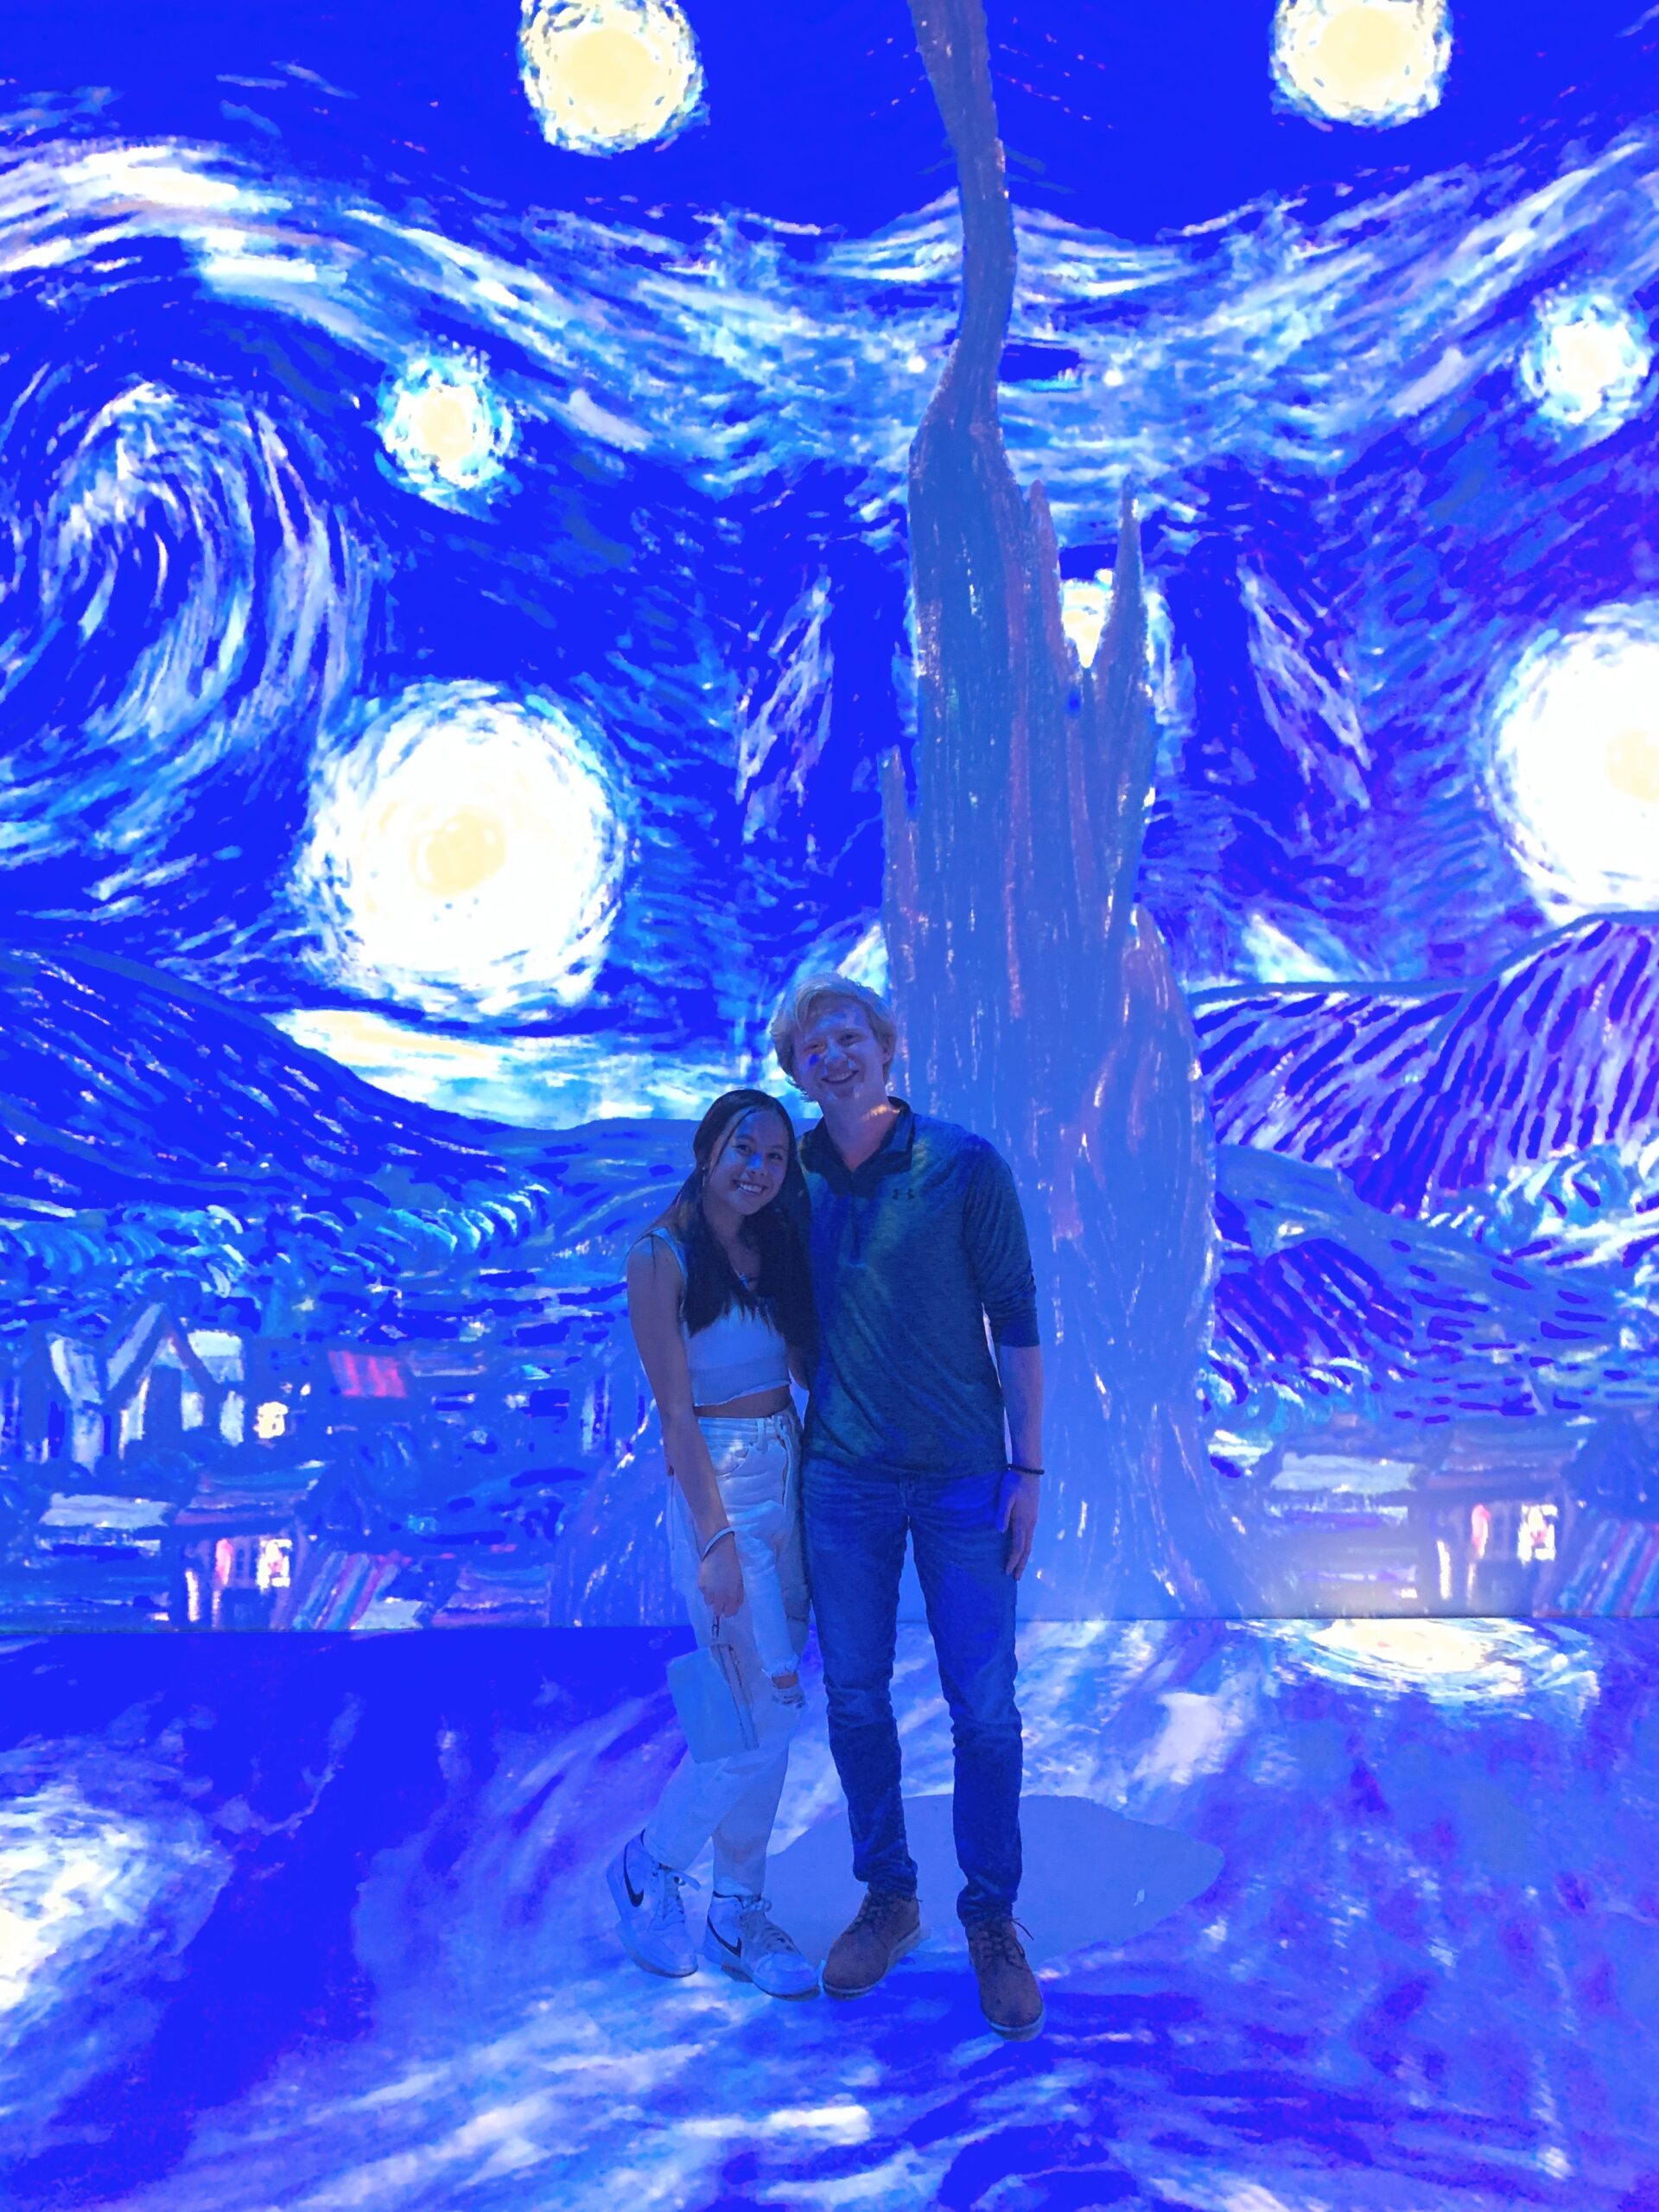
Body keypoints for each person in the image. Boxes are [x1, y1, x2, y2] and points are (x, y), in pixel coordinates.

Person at [769, 975, 1047, 2040]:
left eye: (849, 1035)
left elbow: (1016, 1319)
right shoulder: (788, 1178)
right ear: (797, 1073)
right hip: (842, 1481)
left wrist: (1029, 1470)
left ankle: (992, 1917)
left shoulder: (965, 1166)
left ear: (887, 1047)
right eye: (813, 1047)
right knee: (853, 1698)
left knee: (985, 1707)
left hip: (965, 1478)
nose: (834, 1056)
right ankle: (889, 1896)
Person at [607, 1089, 821, 1999]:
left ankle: (737, 1908)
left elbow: (804, 1368)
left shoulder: (774, 1248)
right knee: (752, 1715)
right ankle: (649, 1865)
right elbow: (675, 1417)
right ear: (708, 1150)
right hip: (722, 1490)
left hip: (790, 1476)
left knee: (769, 1723)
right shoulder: (660, 1257)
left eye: (775, 1157)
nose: (758, 1169)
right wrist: (715, 1540)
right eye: (743, 1148)